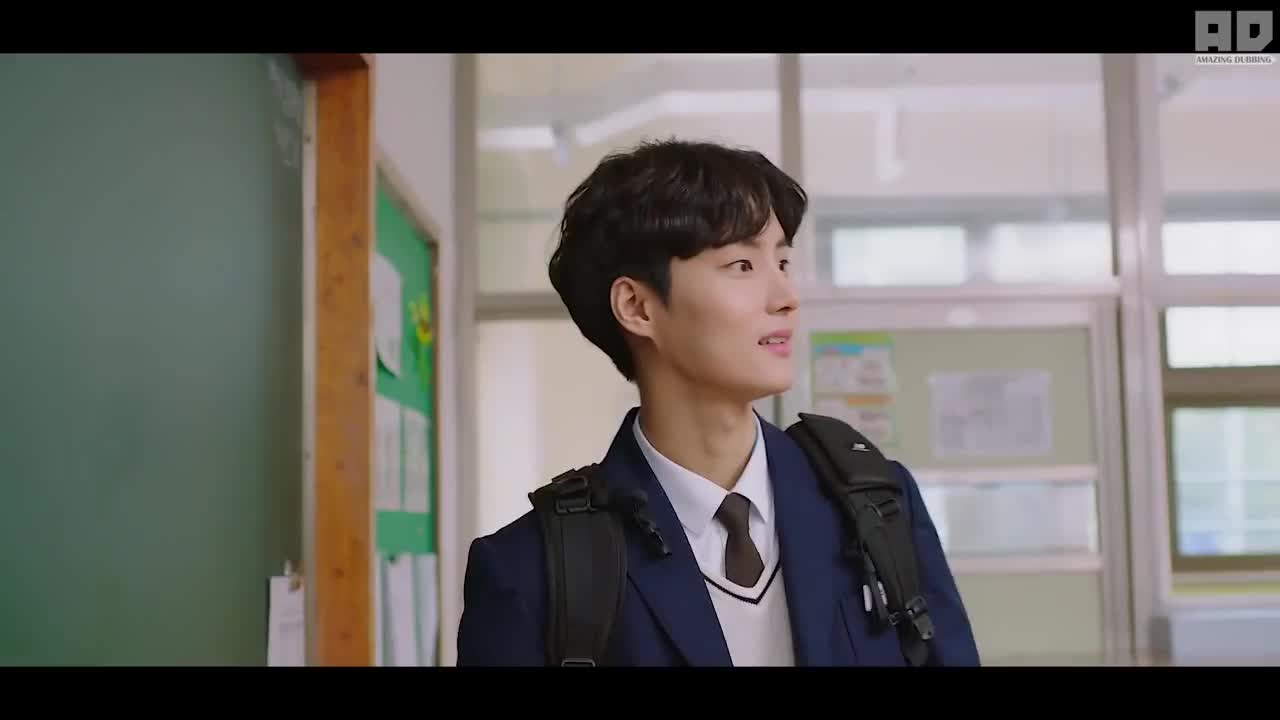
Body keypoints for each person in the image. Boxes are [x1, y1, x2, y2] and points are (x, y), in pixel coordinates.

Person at [456, 138, 980, 667]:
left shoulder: (877, 508)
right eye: (742, 265)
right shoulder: (533, 572)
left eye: (782, 261)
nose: (786, 297)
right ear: (637, 307)